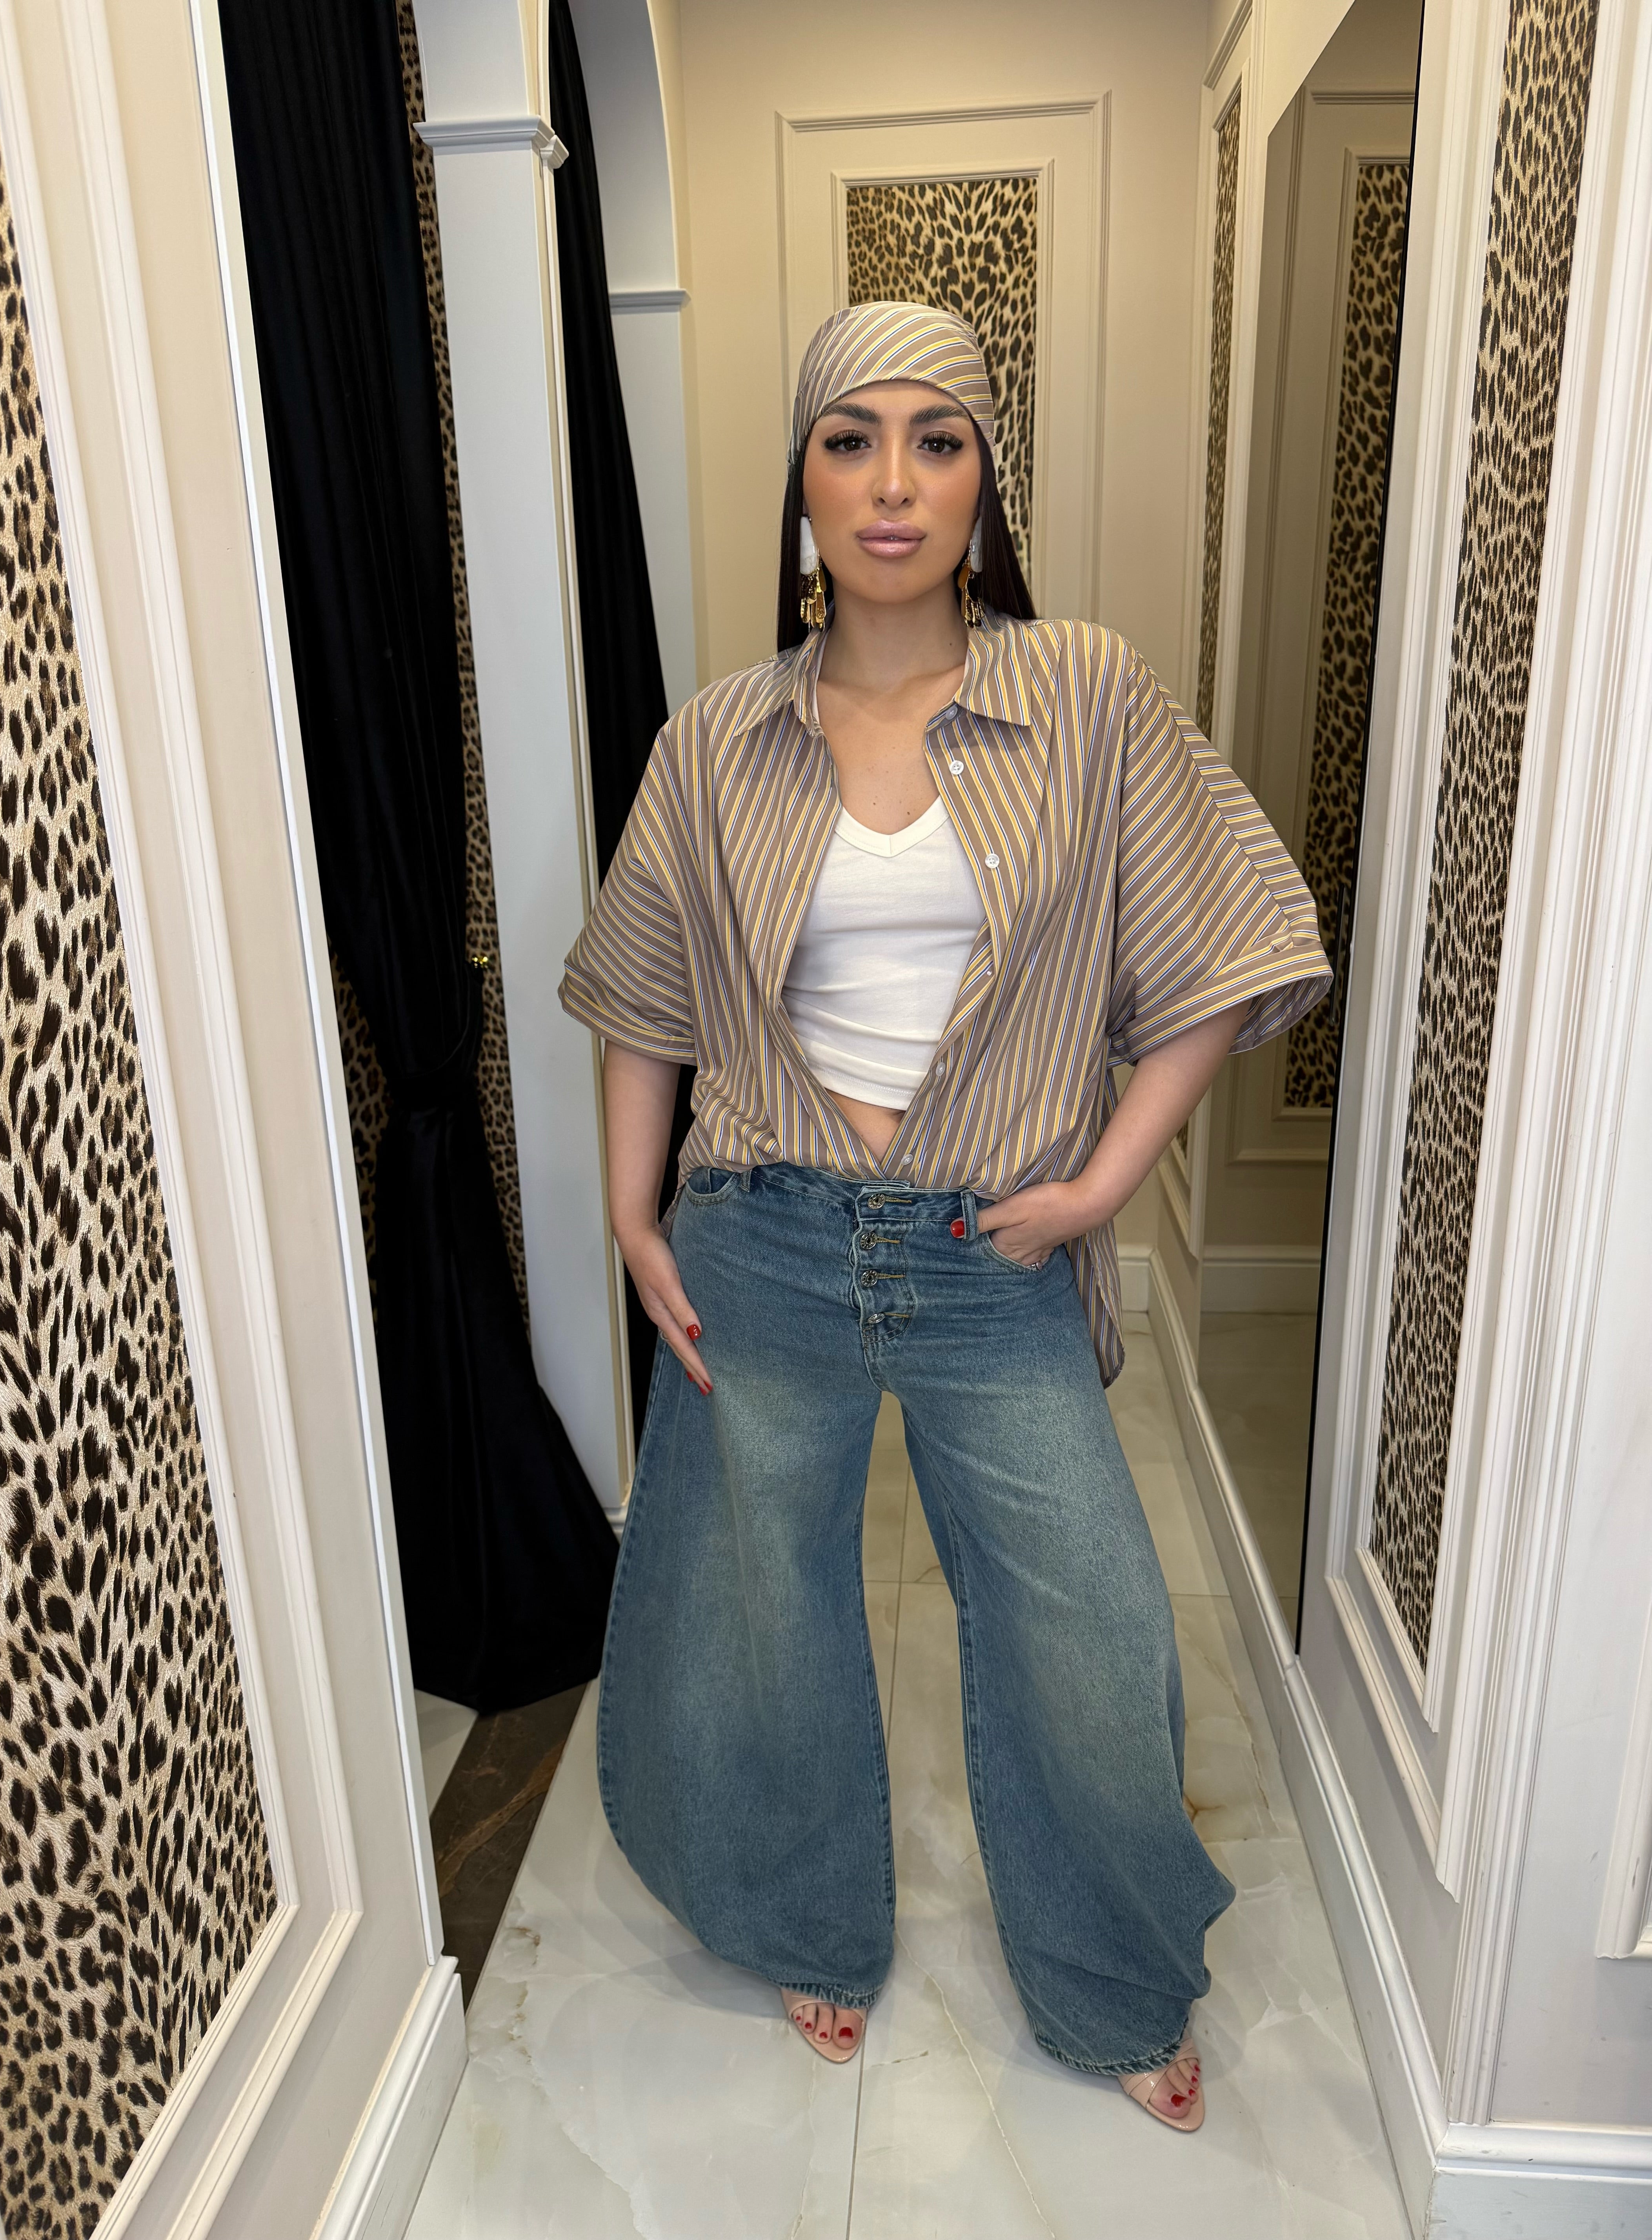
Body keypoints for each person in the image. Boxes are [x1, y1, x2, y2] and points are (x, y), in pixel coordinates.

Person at [560, 302, 1328, 2132]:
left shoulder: (1088, 695)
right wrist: (633, 1213)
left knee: (1090, 1627)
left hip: (998, 1250)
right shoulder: (718, 739)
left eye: (937, 438)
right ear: (802, 482)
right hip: (766, 1232)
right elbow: (645, 992)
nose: (892, 483)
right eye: (850, 440)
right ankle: (801, 1915)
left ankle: (1110, 1975)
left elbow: (1228, 936)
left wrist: (1107, 1182)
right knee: (764, 1605)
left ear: (987, 480)